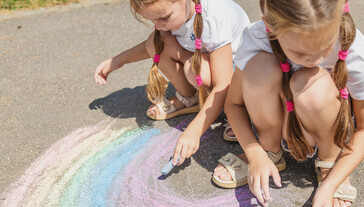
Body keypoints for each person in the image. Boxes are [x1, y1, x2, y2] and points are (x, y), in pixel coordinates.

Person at [213, 0, 364, 207]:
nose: (315, 59)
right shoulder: (258, 37)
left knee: (311, 82)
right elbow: (233, 104)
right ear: (270, 27)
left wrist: (329, 186)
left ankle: (330, 163)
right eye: (301, 52)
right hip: (284, 120)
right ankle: (268, 151)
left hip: (325, 122)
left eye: (325, 47)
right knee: (259, 69)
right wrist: (254, 153)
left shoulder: (355, 51)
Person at [94, 0, 250, 165]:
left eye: (164, 18)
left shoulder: (214, 17)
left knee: (195, 70)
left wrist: (194, 131)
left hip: (240, 78)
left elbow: (222, 84)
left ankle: (235, 110)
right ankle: (189, 98)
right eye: (152, 20)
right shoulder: (175, 16)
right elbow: (152, 45)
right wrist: (119, 60)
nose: (159, 25)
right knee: (157, 43)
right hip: (206, 60)